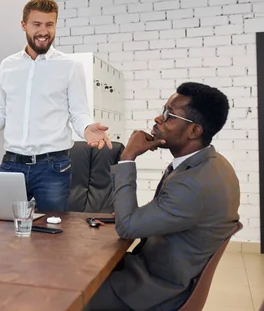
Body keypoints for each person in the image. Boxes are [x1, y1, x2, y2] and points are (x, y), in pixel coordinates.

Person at [0, 0, 111, 212]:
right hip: (12, 164)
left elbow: (79, 113)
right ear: (24, 25)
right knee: (3, 230)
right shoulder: (8, 66)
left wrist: (87, 128)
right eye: (37, 24)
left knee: (51, 235)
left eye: (49, 24)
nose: (44, 31)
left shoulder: (70, 66)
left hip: (54, 167)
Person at [85, 82, 240, 311]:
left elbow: (127, 227)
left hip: (156, 290)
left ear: (194, 131)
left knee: (69, 293)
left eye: (169, 115)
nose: (159, 118)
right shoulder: (210, 164)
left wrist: (128, 156)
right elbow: (162, 212)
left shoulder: (192, 183)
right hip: (162, 271)